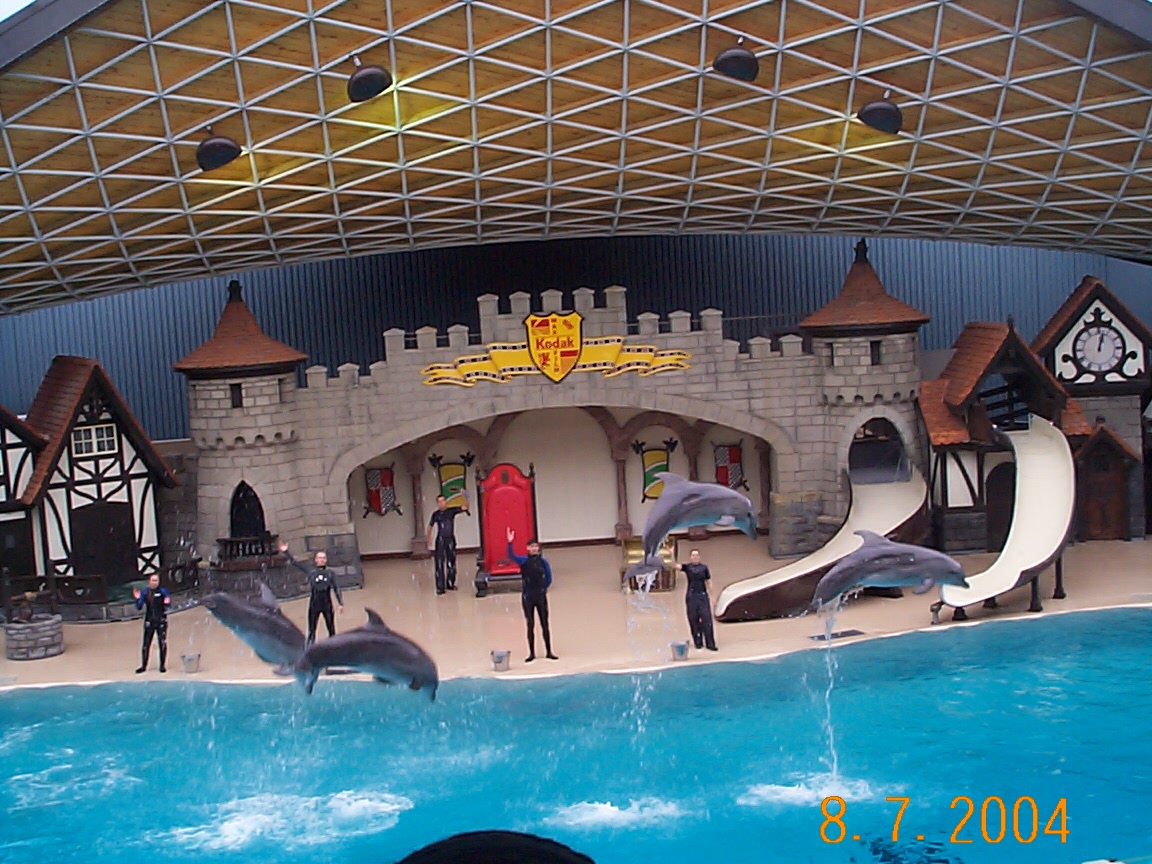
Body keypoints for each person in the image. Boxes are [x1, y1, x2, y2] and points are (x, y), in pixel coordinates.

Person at [506, 526, 558, 662]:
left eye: (536, 546)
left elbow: (549, 577)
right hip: (528, 596)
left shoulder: (543, 561)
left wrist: (543, 588)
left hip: (540, 595)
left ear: (538, 548)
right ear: (527, 548)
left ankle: (549, 651)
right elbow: (511, 556)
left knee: (545, 624)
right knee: (530, 624)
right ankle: (532, 653)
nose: (534, 549)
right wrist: (510, 542)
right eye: (531, 546)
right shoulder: (523, 560)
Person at [280, 540, 344, 645]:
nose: (322, 560)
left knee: (331, 628)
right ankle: (310, 648)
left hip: (327, 605)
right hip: (314, 604)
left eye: (323, 558)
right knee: (311, 629)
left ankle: (334, 647)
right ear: (316, 560)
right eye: (319, 558)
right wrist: (286, 552)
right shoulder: (311, 571)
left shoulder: (330, 573)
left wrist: (340, 602)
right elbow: (295, 563)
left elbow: (336, 587)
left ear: (326, 560)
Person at [426, 491, 470, 595]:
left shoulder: (451, 511)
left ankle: (450, 583)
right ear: (437, 503)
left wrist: (464, 496)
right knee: (439, 563)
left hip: (450, 539)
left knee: (451, 562)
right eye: (439, 502)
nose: (441, 503)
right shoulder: (436, 514)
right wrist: (429, 538)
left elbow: (465, 507)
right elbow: (430, 526)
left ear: (446, 501)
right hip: (440, 540)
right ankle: (440, 587)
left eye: (443, 501)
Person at [676, 549, 717, 651]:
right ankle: (698, 642)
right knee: (693, 620)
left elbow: (709, 581)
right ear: (690, 557)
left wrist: (713, 596)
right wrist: (672, 554)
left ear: (699, 557)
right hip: (691, 596)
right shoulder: (687, 567)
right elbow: (675, 566)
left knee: (707, 619)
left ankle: (710, 643)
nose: (695, 557)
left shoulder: (704, 568)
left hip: (702, 595)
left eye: (697, 555)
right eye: (693, 555)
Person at [133, 573, 171, 673]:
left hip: (161, 620)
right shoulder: (145, 592)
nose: (154, 583)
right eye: (153, 580)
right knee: (146, 643)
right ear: (149, 581)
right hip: (149, 620)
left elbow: (168, 605)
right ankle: (143, 666)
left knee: (162, 642)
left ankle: (162, 665)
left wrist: (167, 603)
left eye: (156, 580)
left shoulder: (163, 591)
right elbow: (139, 607)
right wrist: (137, 599)